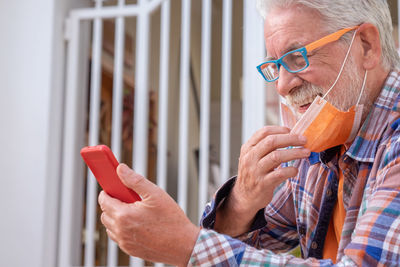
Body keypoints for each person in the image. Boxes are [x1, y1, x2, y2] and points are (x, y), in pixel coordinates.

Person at [98, 0, 400, 265]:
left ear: (366, 46)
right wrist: (242, 200)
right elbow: (244, 249)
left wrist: (185, 245)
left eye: (298, 58)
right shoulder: (322, 143)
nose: (282, 85)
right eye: (275, 66)